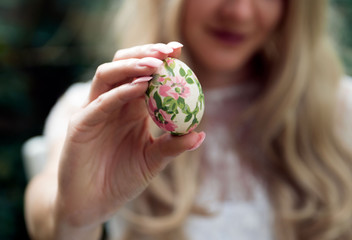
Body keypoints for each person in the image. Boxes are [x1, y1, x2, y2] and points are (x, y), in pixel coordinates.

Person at [24, 0, 352, 239]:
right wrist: (73, 218)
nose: (239, 12)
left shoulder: (338, 108)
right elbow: (46, 209)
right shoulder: (99, 111)